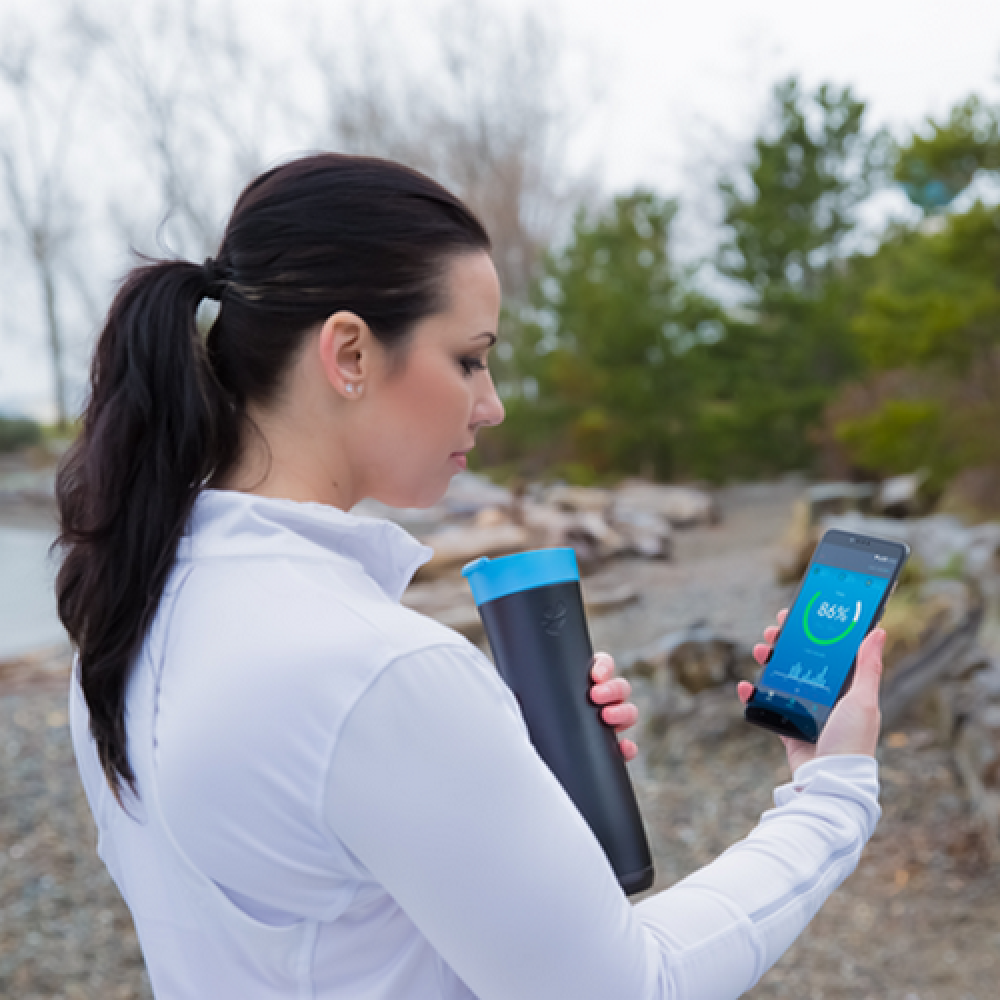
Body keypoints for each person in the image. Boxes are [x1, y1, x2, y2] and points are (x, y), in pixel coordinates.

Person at [57, 153, 884, 999]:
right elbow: (632, 987)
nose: (491, 405)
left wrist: (504, 780)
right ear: (348, 354)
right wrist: (831, 793)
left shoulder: (126, 615)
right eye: (469, 359)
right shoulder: (379, 668)